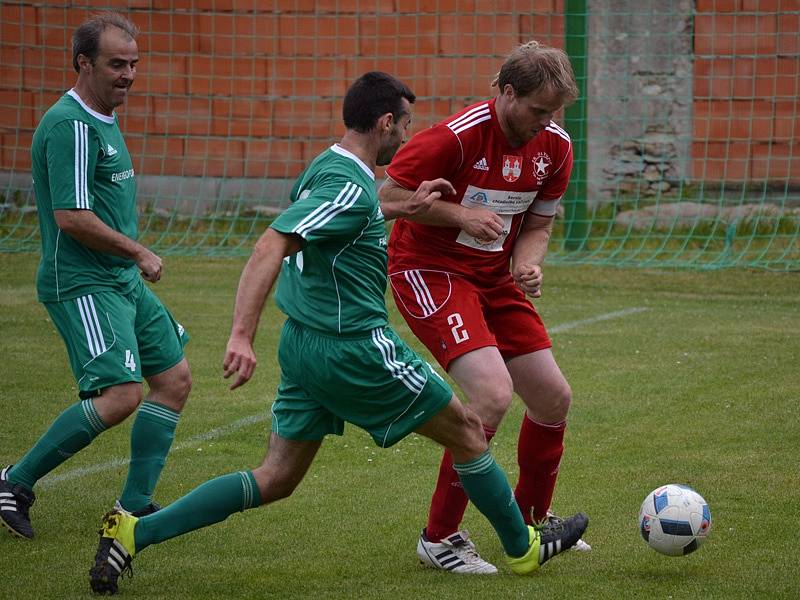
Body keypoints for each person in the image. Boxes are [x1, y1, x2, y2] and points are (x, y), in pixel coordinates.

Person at [88, 71, 588, 594]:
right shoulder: (351, 187)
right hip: (352, 347)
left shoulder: (327, 168)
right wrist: (239, 334)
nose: (409, 138)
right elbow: (270, 245)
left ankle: (134, 530)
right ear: (386, 123)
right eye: (405, 126)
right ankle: (521, 547)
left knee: (275, 477)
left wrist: (412, 207)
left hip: (303, 345)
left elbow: (346, 217)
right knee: (469, 428)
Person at [379, 40, 590, 574]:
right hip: (429, 271)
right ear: (506, 92)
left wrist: (529, 263)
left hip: (495, 278)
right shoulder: (455, 137)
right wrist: (460, 216)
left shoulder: (557, 148)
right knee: (492, 395)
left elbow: (537, 226)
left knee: (552, 398)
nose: (545, 123)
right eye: (538, 110)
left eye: (554, 113)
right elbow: (382, 198)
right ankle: (440, 536)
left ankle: (528, 521)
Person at [0, 13, 191, 540]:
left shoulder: (103, 117)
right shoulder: (71, 125)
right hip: (83, 282)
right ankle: (14, 482)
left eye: (133, 64)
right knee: (121, 394)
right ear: (84, 63)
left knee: (173, 381)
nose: (128, 74)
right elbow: (72, 217)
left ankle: (131, 507)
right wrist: (139, 252)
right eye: (116, 64)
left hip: (120, 282)